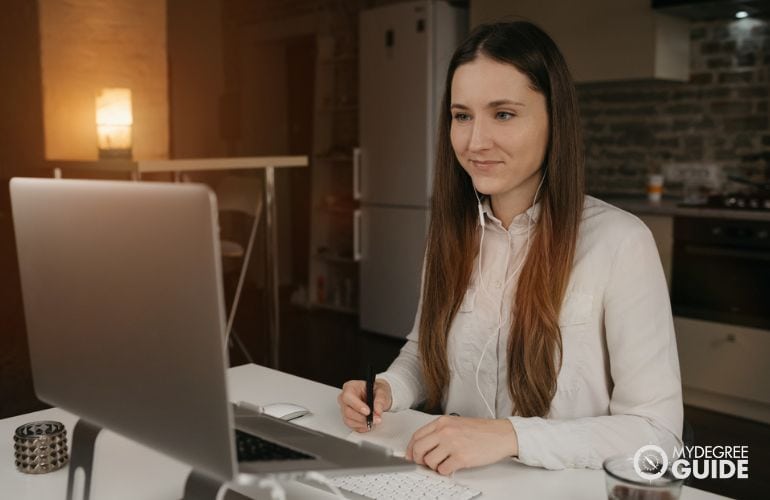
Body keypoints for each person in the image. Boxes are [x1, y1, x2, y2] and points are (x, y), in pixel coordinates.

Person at [337, 20, 682, 475]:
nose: (475, 141)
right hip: (456, 482)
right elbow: (425, 353)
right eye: (462, 115)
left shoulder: (620, 242)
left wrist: (511, 435)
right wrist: (386, 389)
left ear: (554, 119)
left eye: (503, 114)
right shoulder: (451, 232)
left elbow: (658, 435)